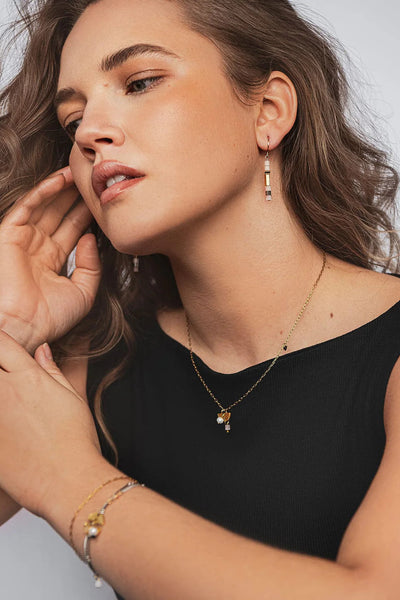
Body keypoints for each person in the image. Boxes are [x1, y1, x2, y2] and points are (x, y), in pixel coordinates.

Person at [0, 0, 399, 598]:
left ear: (269, 111)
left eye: (140, 82)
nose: (87, 133)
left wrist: (67, 479)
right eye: (72, 119)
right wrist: (11, 328)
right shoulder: (100, 368)